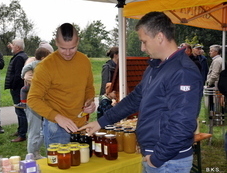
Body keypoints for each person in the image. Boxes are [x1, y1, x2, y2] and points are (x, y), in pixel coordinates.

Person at [79, 12, 203, 173]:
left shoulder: (183, 72)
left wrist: (157, 158)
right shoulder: (156, 67)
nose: (142, 48)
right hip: (157, 157)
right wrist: (101, 122)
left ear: (159, 37)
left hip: (168, 161)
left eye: (144, 41)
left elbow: (183, 123)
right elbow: (134, 99)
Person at [27, 23, 96, 148]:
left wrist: (90, 102)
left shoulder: (84, 61)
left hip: (81, 125)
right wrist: (57, 117)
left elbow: (89, 88)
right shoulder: (45, 66)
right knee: (61, 167)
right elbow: (33, 99)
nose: (68, 53)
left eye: (72, 48)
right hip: (56, 128)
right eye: (63, 48)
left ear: (78, 42)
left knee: (83, 166)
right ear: (56, 43)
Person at [22, 43, 54, 160]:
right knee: (34, 130)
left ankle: (36, 152)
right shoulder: (33, 63)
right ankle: (31, 155)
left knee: (44, 129)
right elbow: (27, 77)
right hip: (34, 101)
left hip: (46, 102)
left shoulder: (47, 65)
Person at [14, 43, 54, 109]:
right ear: (43, 57)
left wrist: (22, 75)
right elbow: (27, 77)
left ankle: (23, 102)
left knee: (23, 90)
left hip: (36, 87)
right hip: (37, 88)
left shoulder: (33, 63)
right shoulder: (38, 62)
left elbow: (25, 69)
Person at [5, 38, 28, 142]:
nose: (12, 46)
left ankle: (22, 134)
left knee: (20, 111)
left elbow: (18, 75)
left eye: (13, 45)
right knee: (19, 110)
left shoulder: (19, 58)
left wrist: (13, 86)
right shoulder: (22, 56)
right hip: (20, 89)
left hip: (18, 89)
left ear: (18, 47)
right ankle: (20, 130)